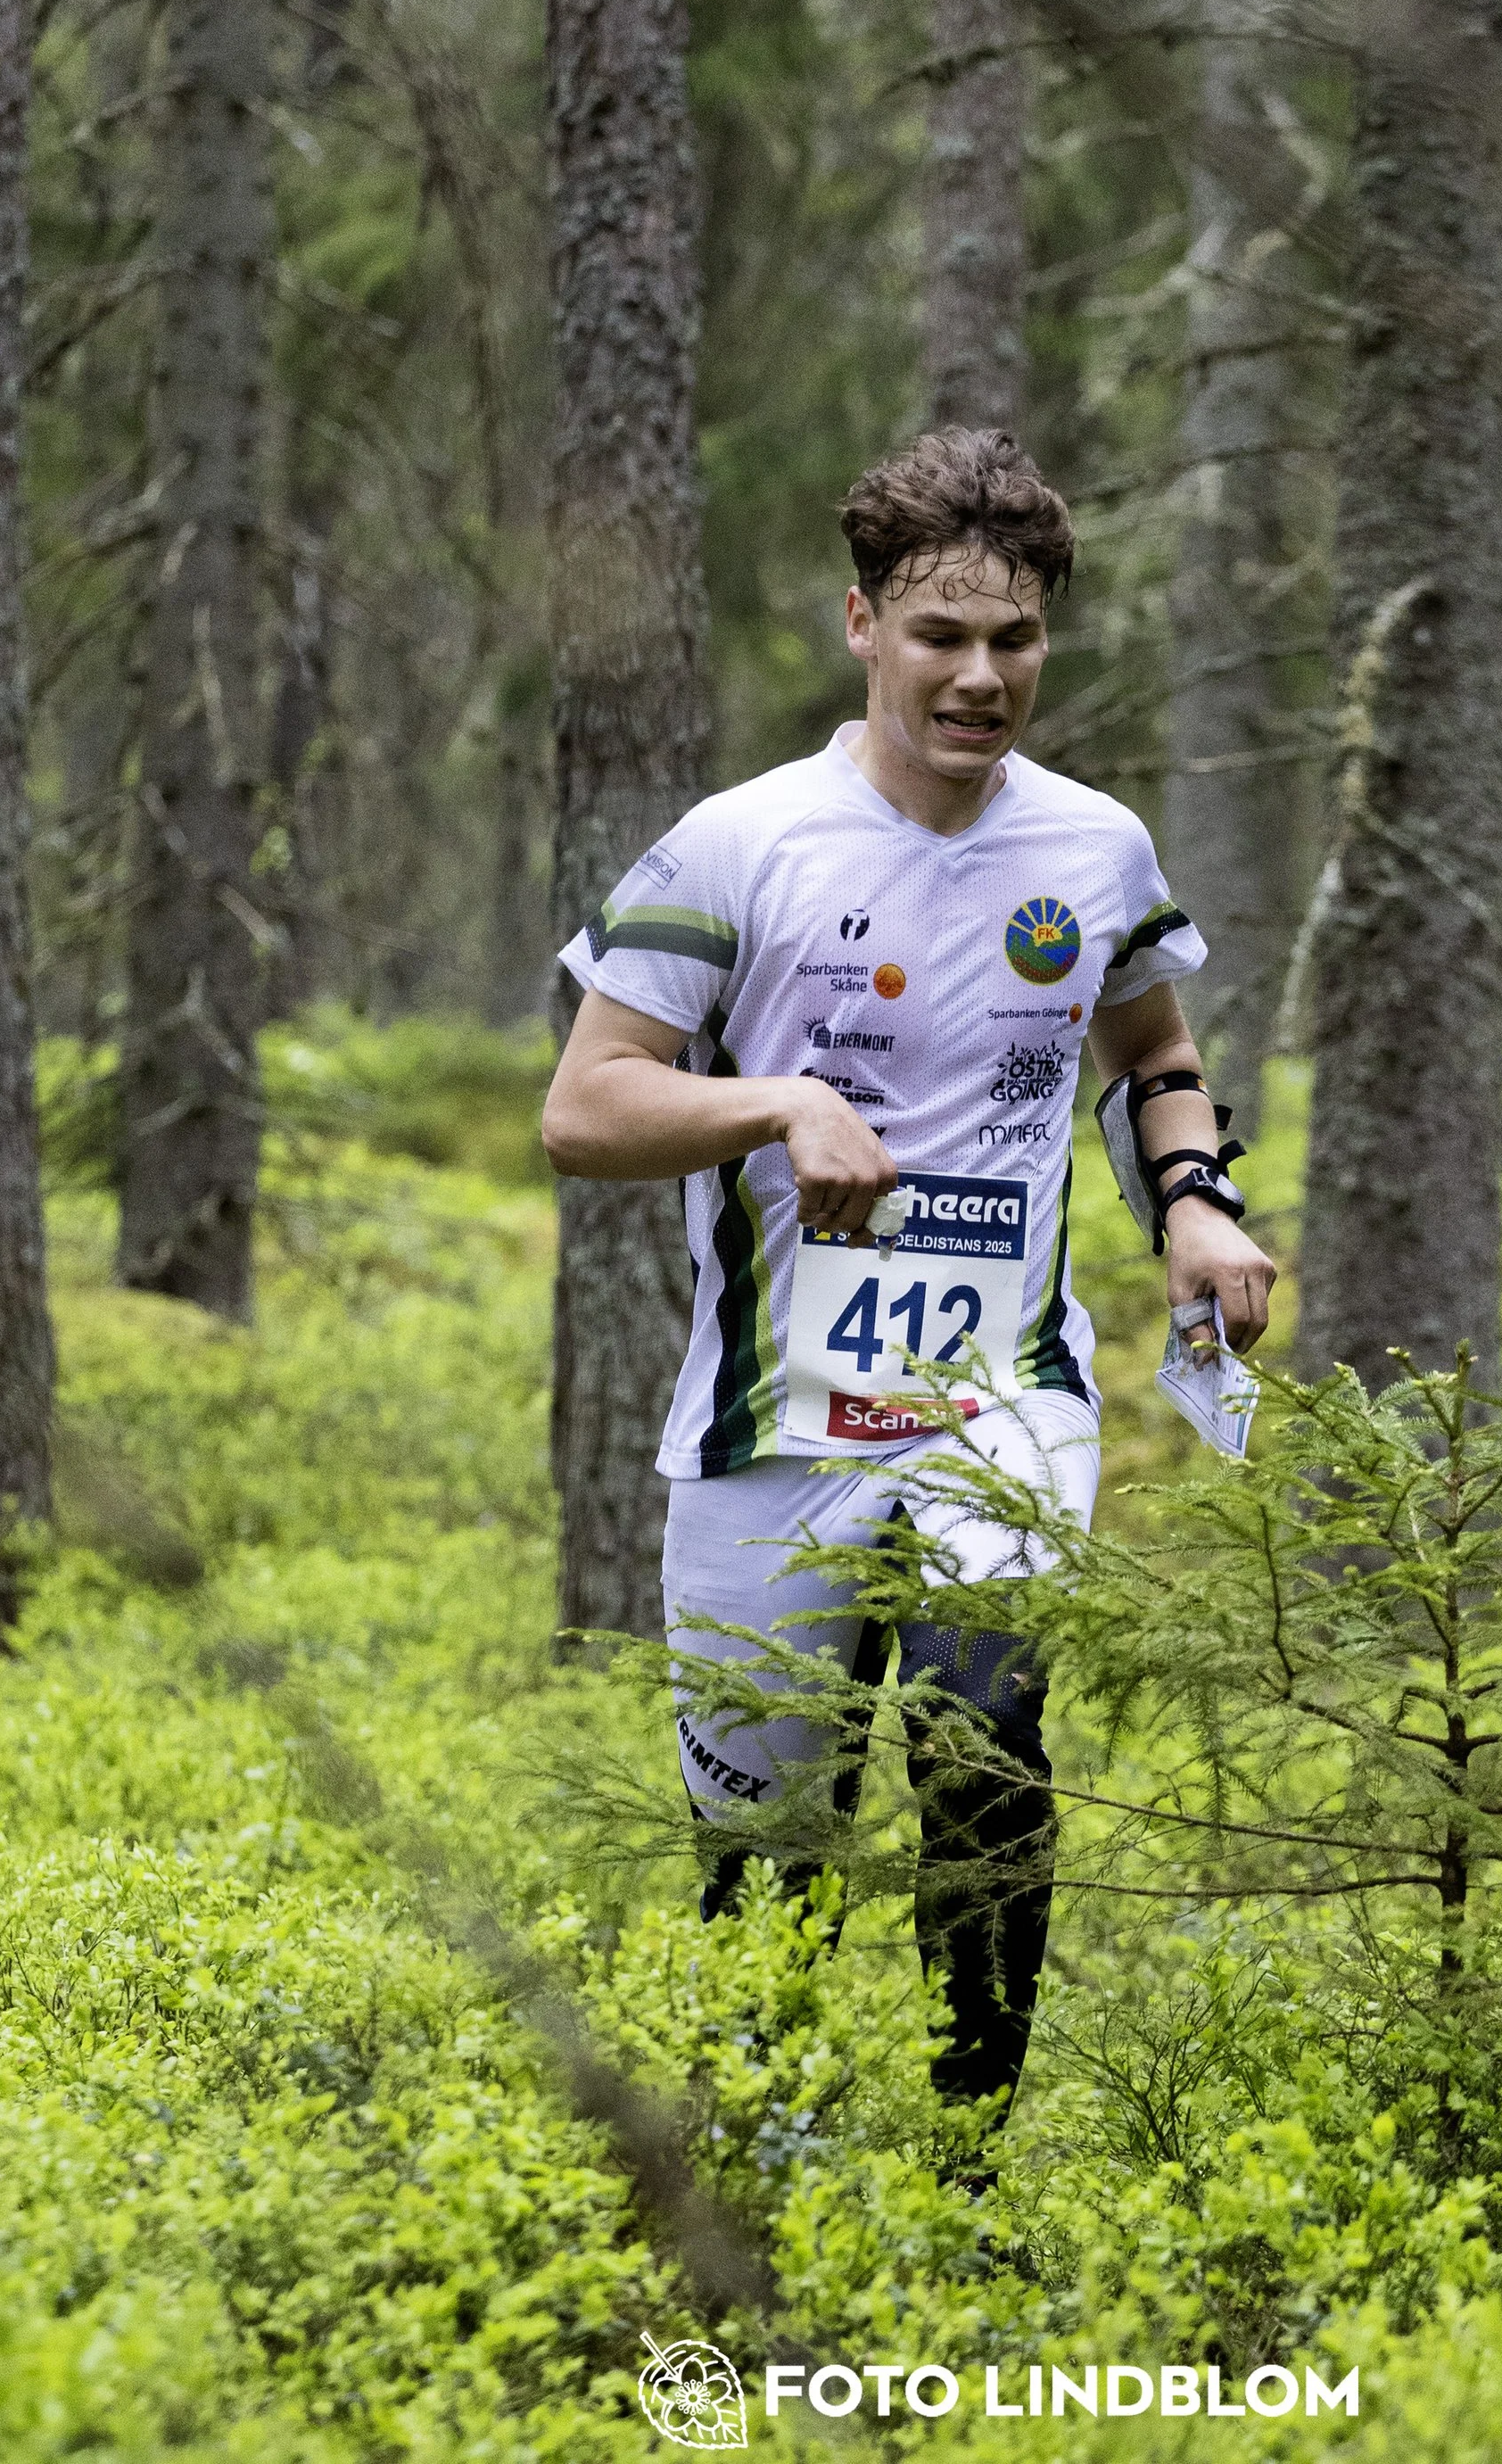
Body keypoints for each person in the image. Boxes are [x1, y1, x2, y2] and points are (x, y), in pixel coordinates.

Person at [541, 427, 1276, 2129]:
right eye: (941, 637)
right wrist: (782, 1100)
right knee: (765, 1841)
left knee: (987, 1763)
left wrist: (1193, 1204)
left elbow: (1153, 1048)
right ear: (861, 624)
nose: (980, 677)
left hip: (1001, 1401)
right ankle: (768, 2171)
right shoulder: (740, 844)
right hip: (767, 1426)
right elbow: (586, 1107)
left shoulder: (1096, 848)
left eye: (1014, 640)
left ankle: (966, 2166)